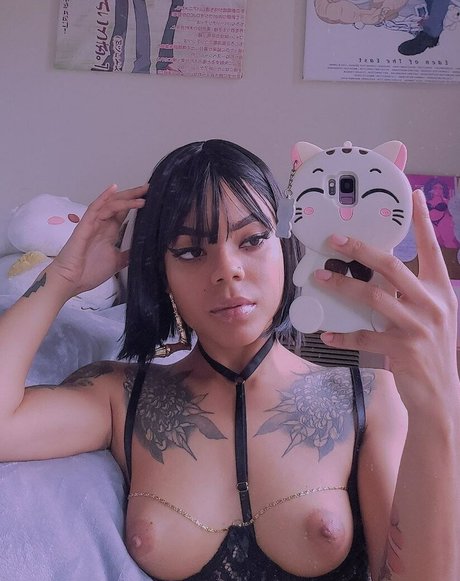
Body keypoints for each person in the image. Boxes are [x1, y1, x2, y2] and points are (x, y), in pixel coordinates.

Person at [0, 139, 458, 581]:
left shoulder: (368, 397)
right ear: (162, 273)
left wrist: (438, 400)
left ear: (286, 246)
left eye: (253, 240)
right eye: (190, 251)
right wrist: (62, 278)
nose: (227, 270)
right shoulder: (121, 397)